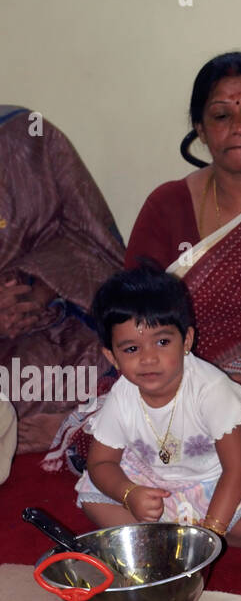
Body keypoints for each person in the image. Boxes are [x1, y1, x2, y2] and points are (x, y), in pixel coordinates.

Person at [45, 53, 241, 479]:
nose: (238, 126)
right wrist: (209, 380)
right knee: (101, 440)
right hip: (177, 389)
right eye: (220, 115)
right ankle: (221, 489)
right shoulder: (167, 205)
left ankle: (187, 489)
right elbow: (129, 320)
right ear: (200, 130)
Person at [75, 265, 241, 547]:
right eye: (131, 349)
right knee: (93, 497)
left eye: (163, 342)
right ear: (113, 356)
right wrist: (129, 494)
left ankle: (176, 535)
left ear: (187, 341)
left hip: (228, 478)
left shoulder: (211, 389)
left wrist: (210, 535)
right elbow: (101, 462)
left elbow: (237, 469)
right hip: (157, 477)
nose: (148, 359)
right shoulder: (123, 395)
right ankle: (171, 531)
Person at [1, 106, 123, 454]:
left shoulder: (27, 136)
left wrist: (38, 291)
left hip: (64, 313)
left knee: (130, 362)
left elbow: (91, 234)